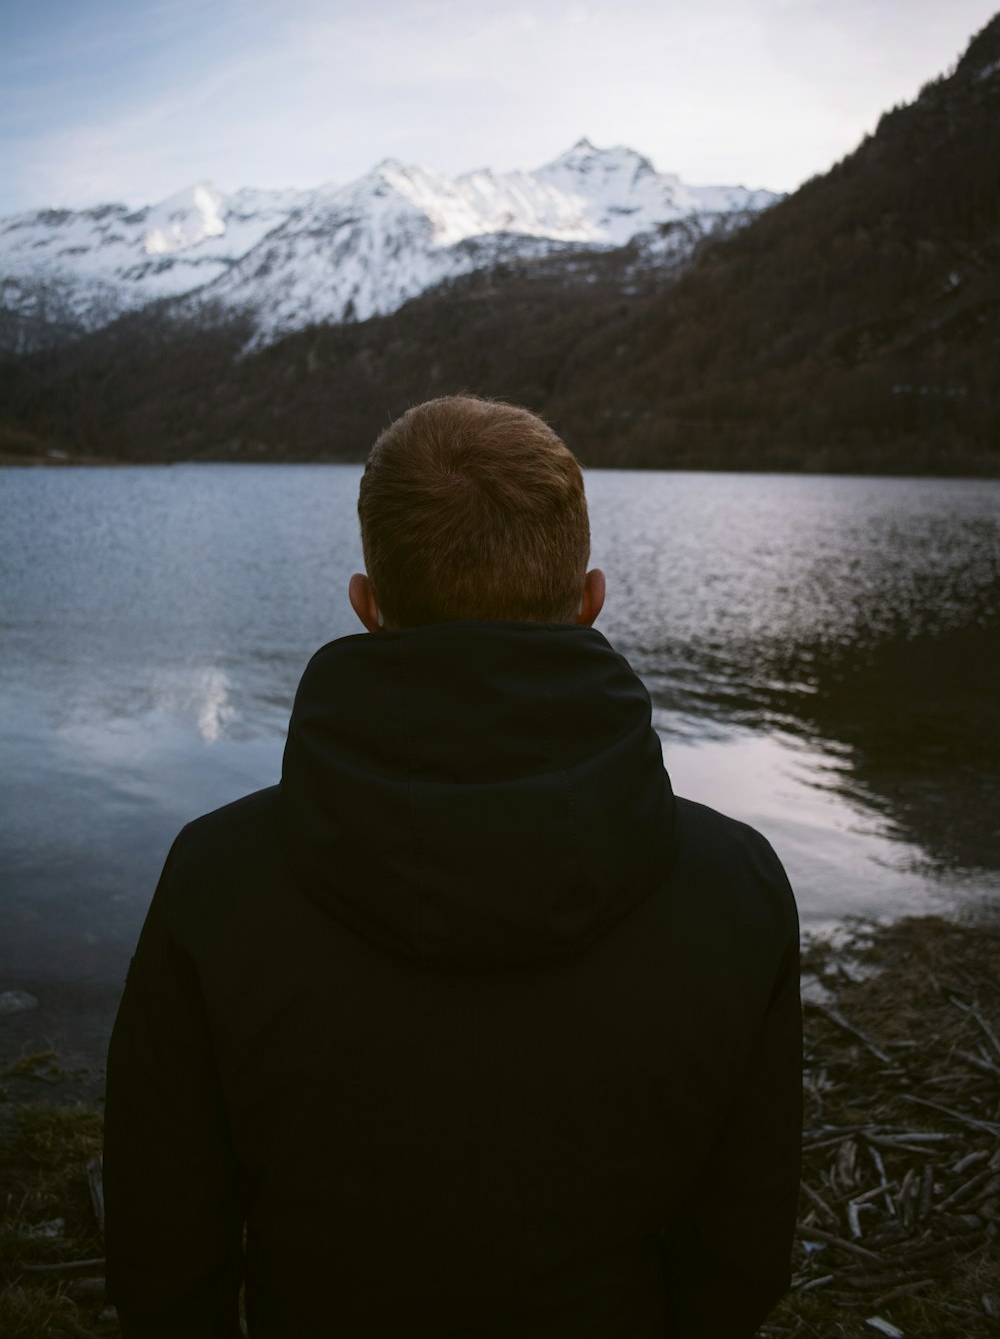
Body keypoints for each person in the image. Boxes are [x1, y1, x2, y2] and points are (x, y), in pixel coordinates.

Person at [103, 395, 801, 1338]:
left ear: (367, 606)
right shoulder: (737, 888)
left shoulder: (217, 879)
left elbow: (160, 1249)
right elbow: (742, 1248)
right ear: (590, 601)